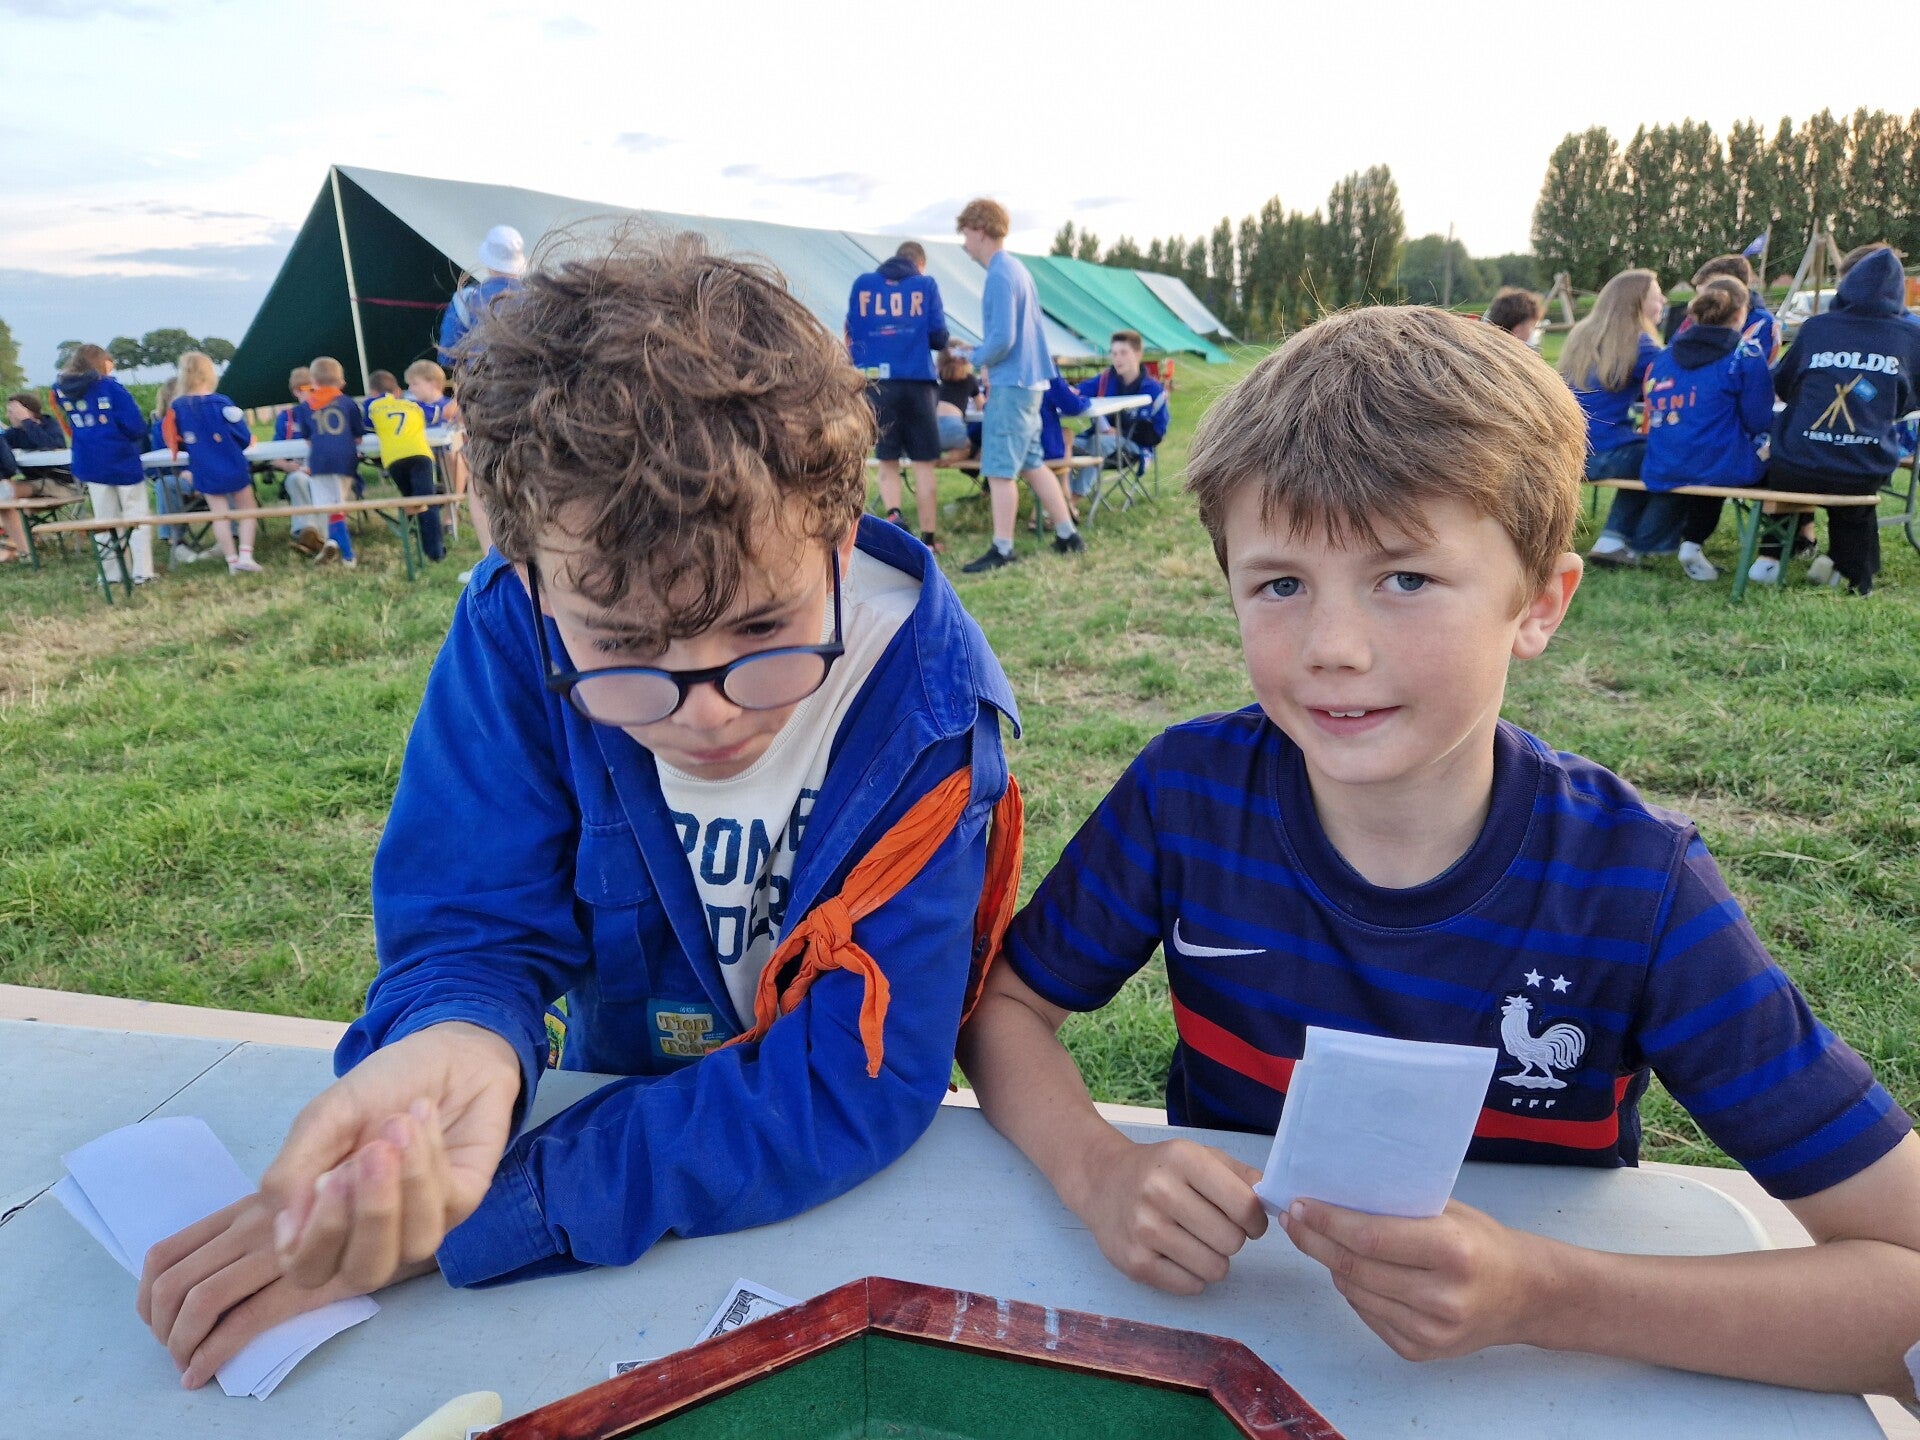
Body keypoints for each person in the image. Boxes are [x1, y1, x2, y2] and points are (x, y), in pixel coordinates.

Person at [956, 305, 1920, 1402]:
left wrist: (1543, 1297)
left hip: (1533, 1393)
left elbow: (1904, 1281)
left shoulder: (1635, 888)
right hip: (1225, 1349)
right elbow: (1003, 1010)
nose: (1333, 648)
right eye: (1280, 584)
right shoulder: (1187, 796)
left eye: (1404, 578)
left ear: (1540, 603)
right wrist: (1097, 1171)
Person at [134, 235, 1023, 1390]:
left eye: (763, 629)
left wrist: (503, 1208)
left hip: (839, 1219)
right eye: (625, 647)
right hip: (614, 1147)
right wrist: (455, 1037)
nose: (707, 710)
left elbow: (853, 1076)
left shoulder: (929, 710)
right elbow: (471, 926)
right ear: (529, 582)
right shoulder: (508, 631)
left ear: (841, 535)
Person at [1754, 245, 1920, 595]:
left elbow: (1784, 383)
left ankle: (1771, 557)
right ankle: (1854, 576)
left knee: (1791, 463)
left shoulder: (1817, 327)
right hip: (1863, 466)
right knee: (1854, 497)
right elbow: (1910, 401)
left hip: (1795, 461)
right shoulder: (1910, 336)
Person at [953, 198, 1084, 573]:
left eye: (966, 233)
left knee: (999, 470)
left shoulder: (998, 274)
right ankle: (1067, 534)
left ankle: (1003, 548)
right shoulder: (1017, 269)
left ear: (981, 231)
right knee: (1032, 463)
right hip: (1032, 381)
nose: (965, 243)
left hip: (1011, 384)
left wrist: (973, 357)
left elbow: (1003, 338)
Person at [1637, 280, 1775, 583]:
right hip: (1721, 465)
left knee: (1713, 450)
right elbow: (1759, 420)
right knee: (1780, 464)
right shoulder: (1746, 354)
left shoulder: (1663, 357)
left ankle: (1692, 543)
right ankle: (1775, 555)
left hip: (1663, 464)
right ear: (1740, 314)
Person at [846, 241, 949, 551]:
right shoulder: (925, 285)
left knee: (887, 460)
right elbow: (939, 337)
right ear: (920, 264)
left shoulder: (863, 285)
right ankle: (929, 539)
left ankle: (894, 516)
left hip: (877, 383)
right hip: (917, 382)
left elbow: (852, 331)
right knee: (923, 464)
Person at [1558, 268, 1664, 566]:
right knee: (1659, 454)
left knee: (1641, 450)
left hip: (1564, 452)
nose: (1664, 302)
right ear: (1638, 303)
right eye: (1657, 297)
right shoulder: (1640, 344)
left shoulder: (1581, 335)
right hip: (1603, 453)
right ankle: (1620, 539)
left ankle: (1616, 538)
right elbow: (1673, 383)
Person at [440, 225, 526, 581]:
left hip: (482, 400)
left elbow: (449, 354)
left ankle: (493, 561)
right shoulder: (540, 298)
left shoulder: (466, 300)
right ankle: (532, 559)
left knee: (481, 478)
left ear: (487, 260)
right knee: (528, 473)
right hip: (529, 398)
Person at [53, 343, 155, 586]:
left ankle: (111, 573)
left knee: (104, 519)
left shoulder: (61, 390)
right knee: (135, 515)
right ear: (101, 363)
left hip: (88, 459)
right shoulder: (110, 387)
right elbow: (134, 425)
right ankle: (142, 571)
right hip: (120, 458)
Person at [170, 351, 263, 573]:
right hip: (232, 464)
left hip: (203, 467)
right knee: (247, 509)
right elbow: (243, 437)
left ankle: (231, 561)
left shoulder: (177, 407)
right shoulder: (222, 403)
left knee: (219, 515)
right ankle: (246, 555)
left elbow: (175, 440)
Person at [1070, 330, 1170, 497]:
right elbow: (1076, 393)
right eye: (1114, 353)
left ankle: (1073, 499)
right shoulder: (1104, 380)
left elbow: (1157, 434)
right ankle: (1061, 497)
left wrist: (1120, 433)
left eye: (1123, 353)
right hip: (1097, 438)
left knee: (1098, 442)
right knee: (1060, 444)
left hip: (1131, 447)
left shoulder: (1153, 390)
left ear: (1138, 354)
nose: (1117, 358)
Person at [292, 356, 366, 568]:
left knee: (330, 508)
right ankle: (344, 552)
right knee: (337, 507)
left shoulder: (304, 407)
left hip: (319, 462)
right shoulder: (348, 403)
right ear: (341, 382)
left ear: (313, 382)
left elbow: (307, 439)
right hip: (344, 460)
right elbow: (358, 437)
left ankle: (337, 546)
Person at [368, 364, 445, 562]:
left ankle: (417, 537)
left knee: (410, 498)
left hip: (394, 458)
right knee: (426, 501)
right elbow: (438, 413)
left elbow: (367, 427)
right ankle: (435, 551)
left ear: (372, 392)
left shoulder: (372, 406)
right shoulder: (413, 405)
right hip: (420, 453)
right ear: (397, 391)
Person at [0, 393, 76, 564]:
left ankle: (22, 546)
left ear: (26, 411)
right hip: (35, 485)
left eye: (12, 411)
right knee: (9, 501)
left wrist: (27, 421)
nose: (8, 416)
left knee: (6, 491)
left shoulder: (49, 425)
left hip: (62, 484)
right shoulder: (14, 433)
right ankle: (25, 545)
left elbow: (51, 445)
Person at [1662, 255, 1780, 363]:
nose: (1702, 302)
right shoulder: (1699, 316)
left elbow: (1757, 369)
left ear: (1732, 287)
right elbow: (1673, 352)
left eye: (1708, 296)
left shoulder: (1763, 323)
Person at [272, 367, 326, 557]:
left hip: (326, 471)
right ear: (296, 391)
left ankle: (314, 537)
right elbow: (273, 454)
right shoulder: (286, 418)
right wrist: (286, 466)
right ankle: (310, 532)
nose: (314, 393)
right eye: (308, 389)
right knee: (296, 479)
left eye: (316, 389)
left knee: (323, 482)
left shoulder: (329, 414)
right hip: (298, 471)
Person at [936, 345, 980, 461]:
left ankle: (938, 459)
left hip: (932, 427)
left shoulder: (937, 378)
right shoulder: (969, 379)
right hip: (953, 424)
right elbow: (981, 406)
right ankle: (951, 459)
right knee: (969, 447)